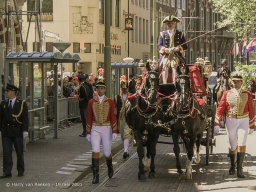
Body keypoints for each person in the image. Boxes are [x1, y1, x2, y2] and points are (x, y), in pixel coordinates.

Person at [214, 72, 254, 178]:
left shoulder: (248, 94)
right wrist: (217, 123)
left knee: (242, 142)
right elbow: (220, 108)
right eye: (234, 81)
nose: (236, 83)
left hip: (243, 120)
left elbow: (251, 109)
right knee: (232, 145)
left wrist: (252, 125)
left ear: (241, 82)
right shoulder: (227, 93)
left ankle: (240, 169)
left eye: (238, 82)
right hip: (230, 120)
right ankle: (232, 165)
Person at [85, 80, 117, 184]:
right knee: (95, 149)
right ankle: (95, 175)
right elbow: (89, 117)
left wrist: (115, 130)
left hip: (107, 128)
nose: (100, 90)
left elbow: (113, 116)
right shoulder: (91, 102)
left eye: (102, 88)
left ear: (105, 89)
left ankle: (110, 166)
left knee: (107, 152)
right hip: (95, 128)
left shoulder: (110, 102)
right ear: (96, 90)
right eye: (98, 88)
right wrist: (88, 132)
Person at [0, 84, 29, 178]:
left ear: (13, 92)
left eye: (7, 91)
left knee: (19, 152)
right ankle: (7, 171)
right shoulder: (3, 103)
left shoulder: (21, 103)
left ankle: (20, 170)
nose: (6, 93)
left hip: (17, 131)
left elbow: (25, 118)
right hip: (7, 132)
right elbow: (1, 118)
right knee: (7, 152)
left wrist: (25, 130)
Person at [157, 15, 187, 84]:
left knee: (174, 65)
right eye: (169, 23)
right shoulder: (162, 34)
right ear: (167, 24)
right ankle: (164, 83)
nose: (170, 25)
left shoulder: (180, 34)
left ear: (175, 24)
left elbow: (185, 46)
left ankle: (174, 82)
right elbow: (159, 45)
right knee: (164, 65)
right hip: (166, 55)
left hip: (176, 55)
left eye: (172, 23)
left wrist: (178, 48)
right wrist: (165, 49)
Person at [115, 75, 131, 159]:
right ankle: (127, 150)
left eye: (125, 89)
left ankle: (125, 151)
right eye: (123, 89)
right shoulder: (117, 97)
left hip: (128, 119)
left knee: (126, 134)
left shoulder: (131, 97)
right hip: (120, 119)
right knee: (122, 135)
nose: (124, 90)